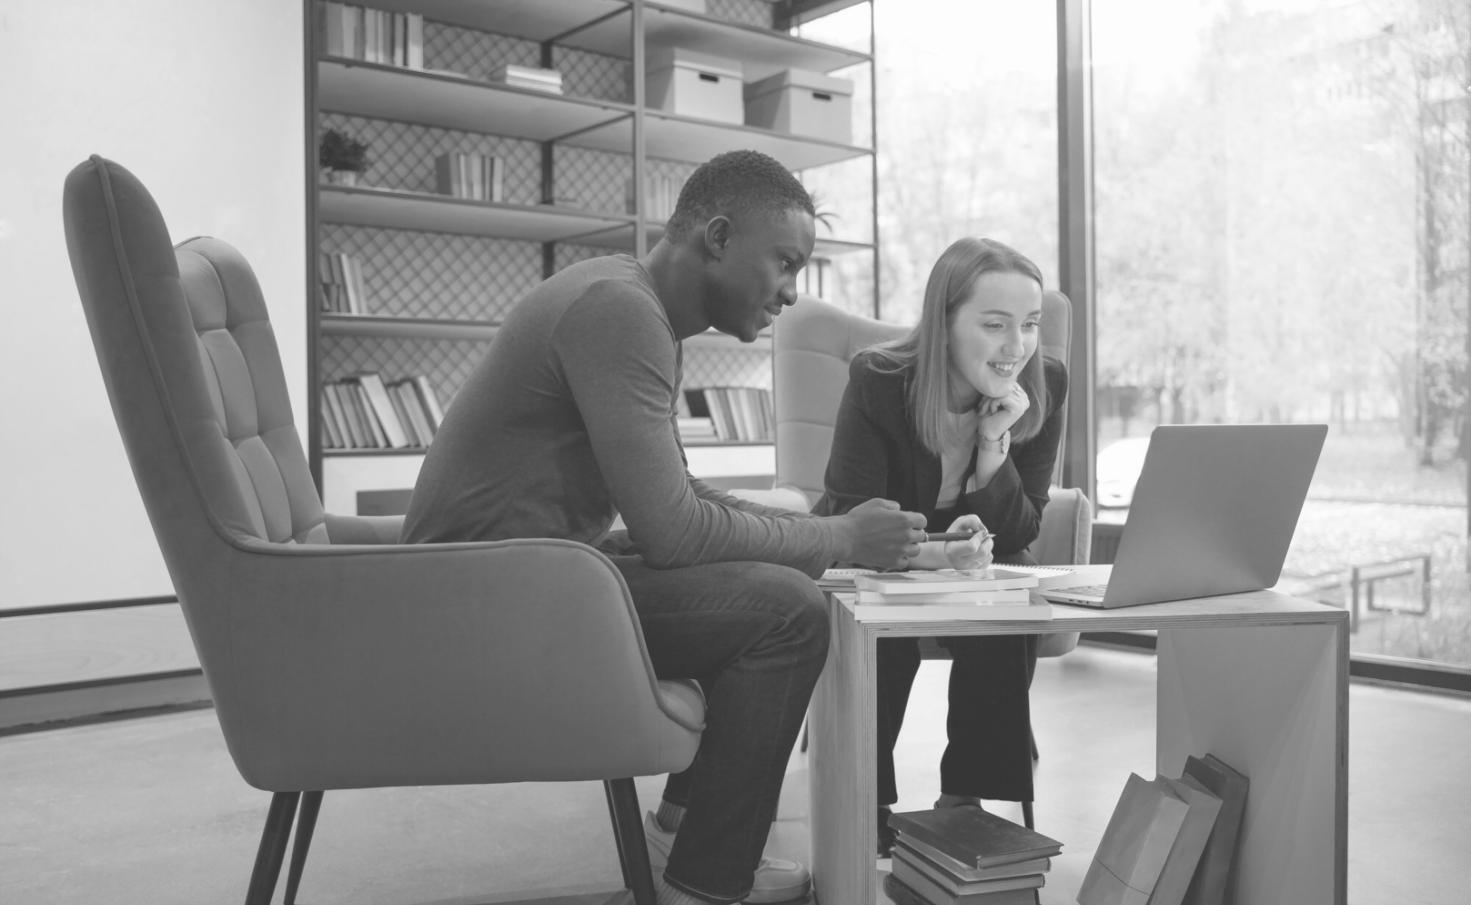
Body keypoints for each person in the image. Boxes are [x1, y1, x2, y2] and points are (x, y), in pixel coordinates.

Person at [401, 150, 927, 905]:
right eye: (784, 262)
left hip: (526, 573)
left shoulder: (634, 307)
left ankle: (682, 829)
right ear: (716, 236)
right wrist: (838, 541)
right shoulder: (618, 312)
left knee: (765, 580)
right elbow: (675, 532)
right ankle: (706, 881)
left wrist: (823, 528)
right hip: (486, 597)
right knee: (785, 611)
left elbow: (676, 499)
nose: (790, 292)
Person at [812, 237, 1068, 856]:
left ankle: (965, 802)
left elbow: (1021, 529)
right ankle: (867, 797)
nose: (1017, 347)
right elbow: (854, 519)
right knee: (886, 622)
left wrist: (991, 450)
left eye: (1029, 325)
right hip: (872, 554)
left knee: (1010, 603)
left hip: (975, 561)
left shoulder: (1043, 384)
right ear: (945, 322)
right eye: (994, 325)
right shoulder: (879, 382)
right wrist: (933, 555)